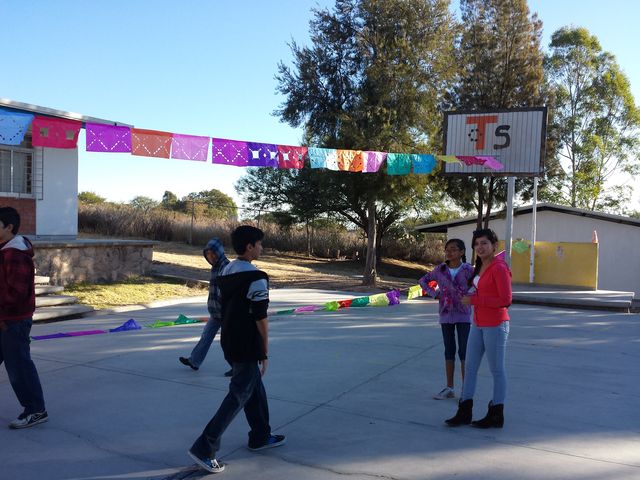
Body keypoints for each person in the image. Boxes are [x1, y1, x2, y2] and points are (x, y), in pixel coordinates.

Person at [188, 225, 285, 474]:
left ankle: (260, 436)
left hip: (229, 340)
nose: (262, 248)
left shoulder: (226, 271)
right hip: (247, 343)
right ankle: (204, 447)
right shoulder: (256, 277)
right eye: (260, 244)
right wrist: (264, 350)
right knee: (239, 394)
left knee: (254, 388)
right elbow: (260, 318)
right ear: (250, 246)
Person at [445, 228, 512, 429]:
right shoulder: (480, 266)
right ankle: (464, 411)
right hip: (478, 324)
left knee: (497, 371)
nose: (480, 247)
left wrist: (476, 299)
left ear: (494, 246)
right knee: (471, 368)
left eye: (484, 243)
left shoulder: (499, 268)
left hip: (496, 325)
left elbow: (506, 300)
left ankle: (496, 414)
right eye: (477, 244)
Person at [0, 207, 47, 429]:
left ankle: (36, 410)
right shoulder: (4, 250)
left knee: (18, 366)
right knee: (16, 364)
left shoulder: (15, 255)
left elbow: (15, 293)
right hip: (4, 318)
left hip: (13, 321)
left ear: (8, 227)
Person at [418, 239, 473, 400]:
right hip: (445, 315)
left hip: (463, 315)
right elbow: (422, 281)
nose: (449, 252)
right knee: (449, 351)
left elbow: (479, 285)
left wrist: (470, 296)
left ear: (462, 252)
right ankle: (449, 387)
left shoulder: (469, 270)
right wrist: (436, 294)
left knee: (464, 352)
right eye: (447, 249)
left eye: (454, 249)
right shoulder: (440, 270)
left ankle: (465, 389)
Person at [179, 237, 232, 376]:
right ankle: (194, 361)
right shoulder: (215, 267)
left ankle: (237, 367)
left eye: (213, 254)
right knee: (206, 336)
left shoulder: (227, 266)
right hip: (215, 313)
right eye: (208, 255)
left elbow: (227, 292)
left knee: (228, 343)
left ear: (219, 252)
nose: (211, 257)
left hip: (227, 313)